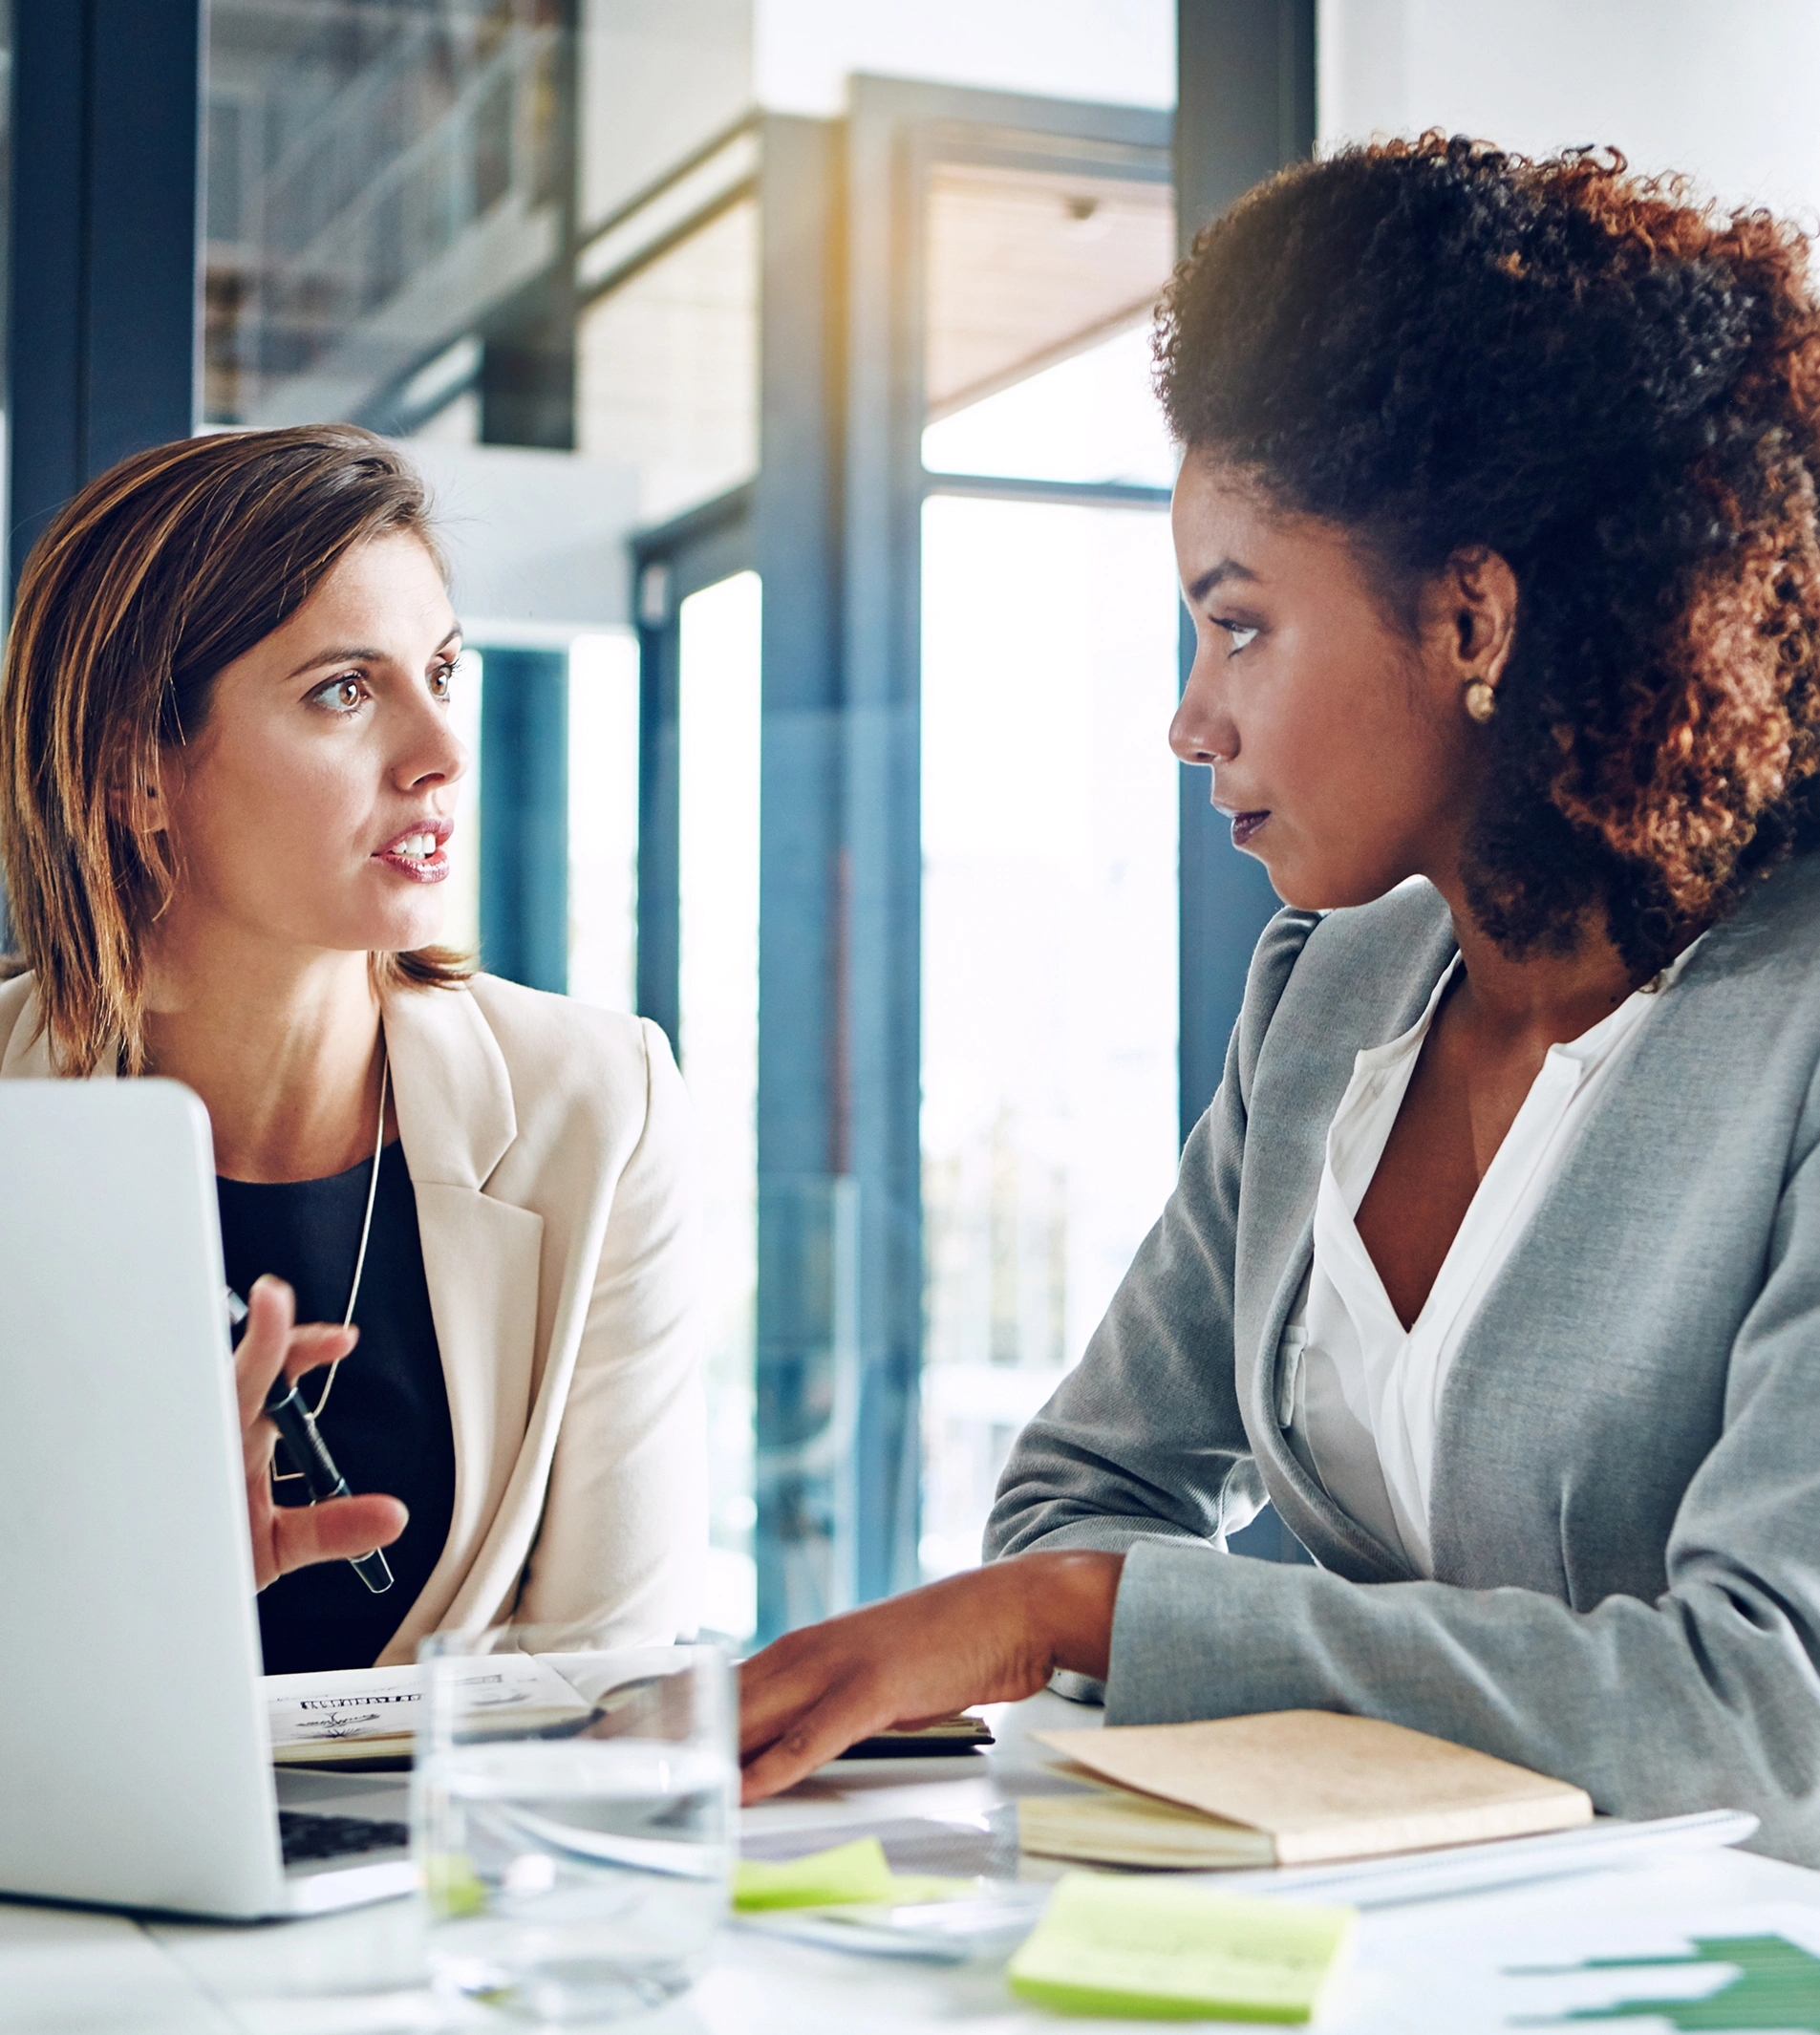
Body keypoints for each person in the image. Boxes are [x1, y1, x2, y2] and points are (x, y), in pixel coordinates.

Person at [739, 135, 1820, 1864]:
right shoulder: (1327, 997)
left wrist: (1098, 1619)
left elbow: (1758, 1714)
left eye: (1238, 627)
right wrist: (1082, 1603)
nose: (1191, 718)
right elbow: (1074, 1498)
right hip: (1367, 1947)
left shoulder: (1797, 1031)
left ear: (1472, 616)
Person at [0, 425, 703, 1673]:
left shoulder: (603, 1107)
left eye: (442, 671)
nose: (442, 753)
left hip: (449, 1869)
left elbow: (613, 1690)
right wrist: (131, 1599)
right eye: (345, 688)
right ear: (133, 770)